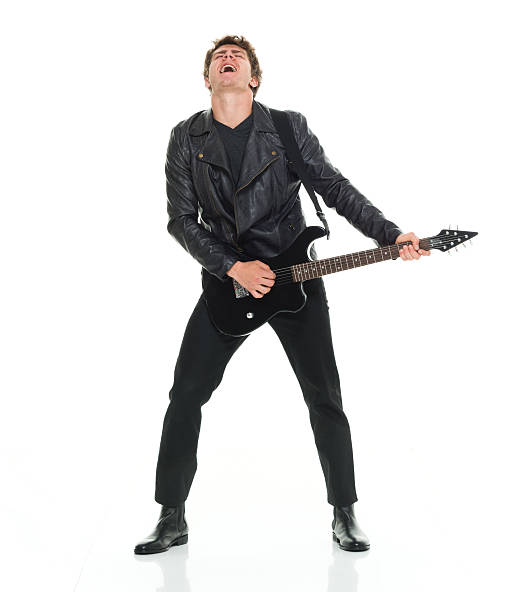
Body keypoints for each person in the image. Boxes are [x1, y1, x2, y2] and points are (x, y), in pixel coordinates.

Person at [134, 35, 430, 555]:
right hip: (228, 284)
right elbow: (180, 221)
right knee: (186, 395)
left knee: (324, 397)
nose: (227, 60)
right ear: (207, 80)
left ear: (254, 77)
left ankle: (345, 512)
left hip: (294, 279)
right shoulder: (185, 137)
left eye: (238, 57)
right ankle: (171, 515)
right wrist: (232, 267)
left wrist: (390, 234)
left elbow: (333, 188)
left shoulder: (287, 127)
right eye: (217, 58)